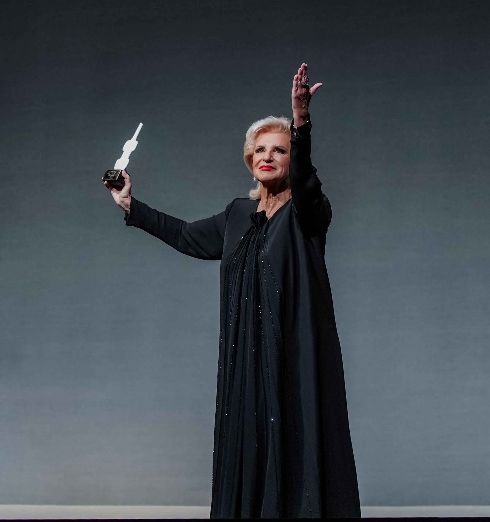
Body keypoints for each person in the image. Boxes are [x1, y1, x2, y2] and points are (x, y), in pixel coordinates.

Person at [105, 63, 359, 518]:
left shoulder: (308, 214)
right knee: (248, 447)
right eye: (259, 149)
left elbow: (305, 180)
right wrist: (130, 205)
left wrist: (300, 119)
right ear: (249, 159)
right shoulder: (238, 215)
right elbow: (185, 235)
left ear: (291, 158)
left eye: (279, 151)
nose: (268, 156)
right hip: (246, 364)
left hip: (292, 363)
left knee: (295, 447)